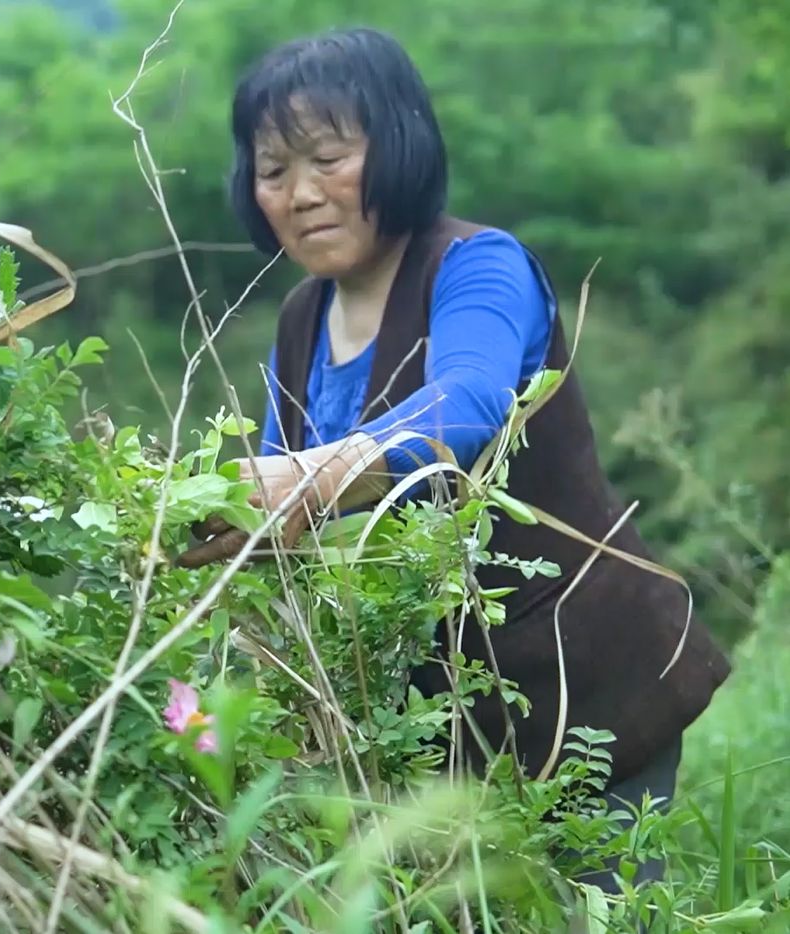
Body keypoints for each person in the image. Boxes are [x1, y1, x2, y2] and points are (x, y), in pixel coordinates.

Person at [177, 26, 731, 898]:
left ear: (397, 145)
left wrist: (311, 481)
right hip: (438, 722)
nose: (301, 193)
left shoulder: (477, 267)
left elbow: (465, 406)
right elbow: (281, 523)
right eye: (273, 168)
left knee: (607, 912)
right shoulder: (298, 319)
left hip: (583, 680)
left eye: (327, 157)